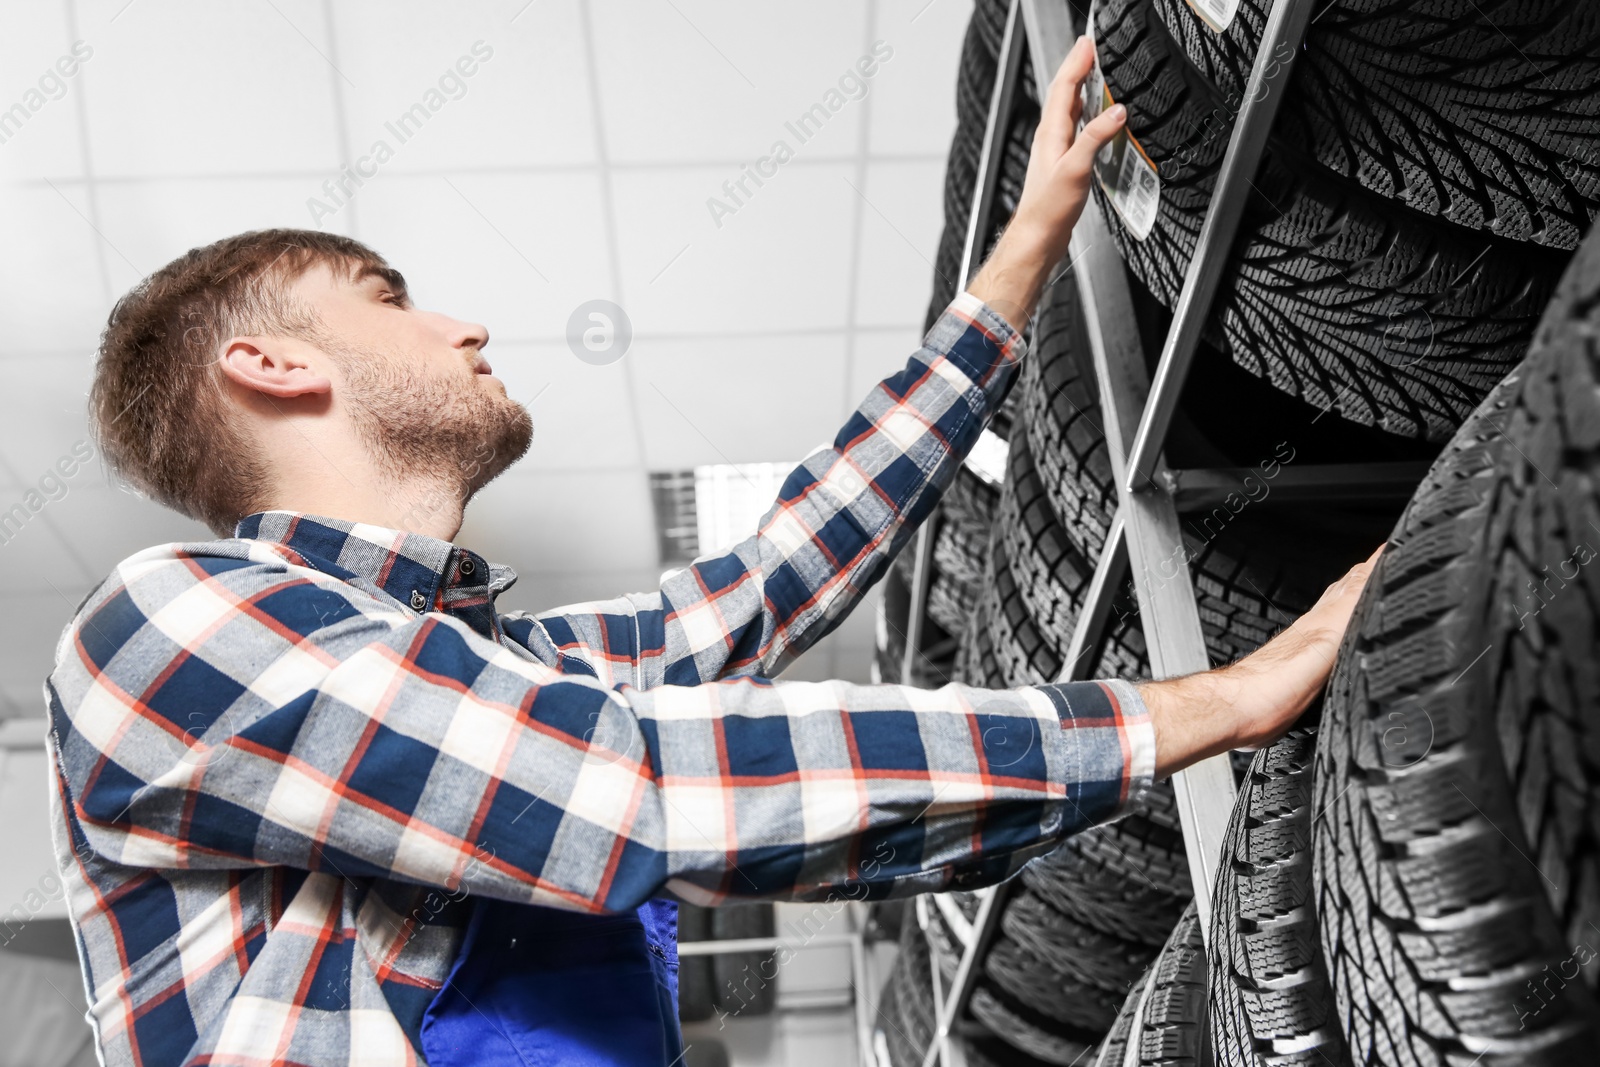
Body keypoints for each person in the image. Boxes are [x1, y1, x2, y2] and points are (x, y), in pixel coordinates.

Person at [45, 36, 1377, 1067]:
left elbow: (766, 581)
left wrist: (1023, 258)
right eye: (391, 300)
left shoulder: (493, 671)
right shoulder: (158, 626)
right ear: (268, 365)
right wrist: (1208, 704)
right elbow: (620, 793)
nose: (464, 326)